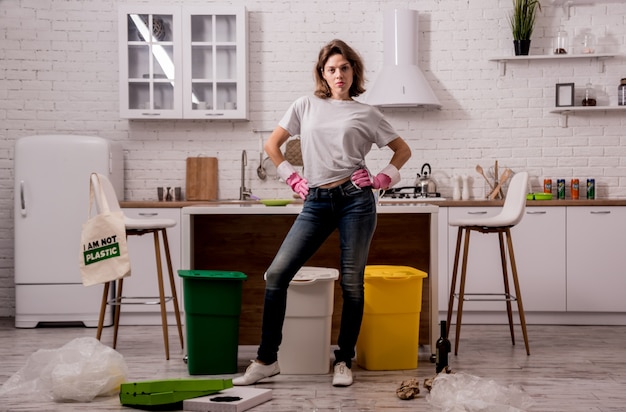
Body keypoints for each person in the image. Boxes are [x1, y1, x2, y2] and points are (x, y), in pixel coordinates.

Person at [233, 39, 411, 387]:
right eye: (332, 69)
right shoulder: (305, 105)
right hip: (315, 201)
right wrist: (292, 177)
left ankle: (344, 360)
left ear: (353, 71)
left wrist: (381, 177)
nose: (338, 74)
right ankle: (267, 359)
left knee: (352, 284)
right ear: (322, 74)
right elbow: (271, 145)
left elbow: (402, 150)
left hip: (355, 200)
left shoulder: (367, 113)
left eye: (344, 67)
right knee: (277, 275)